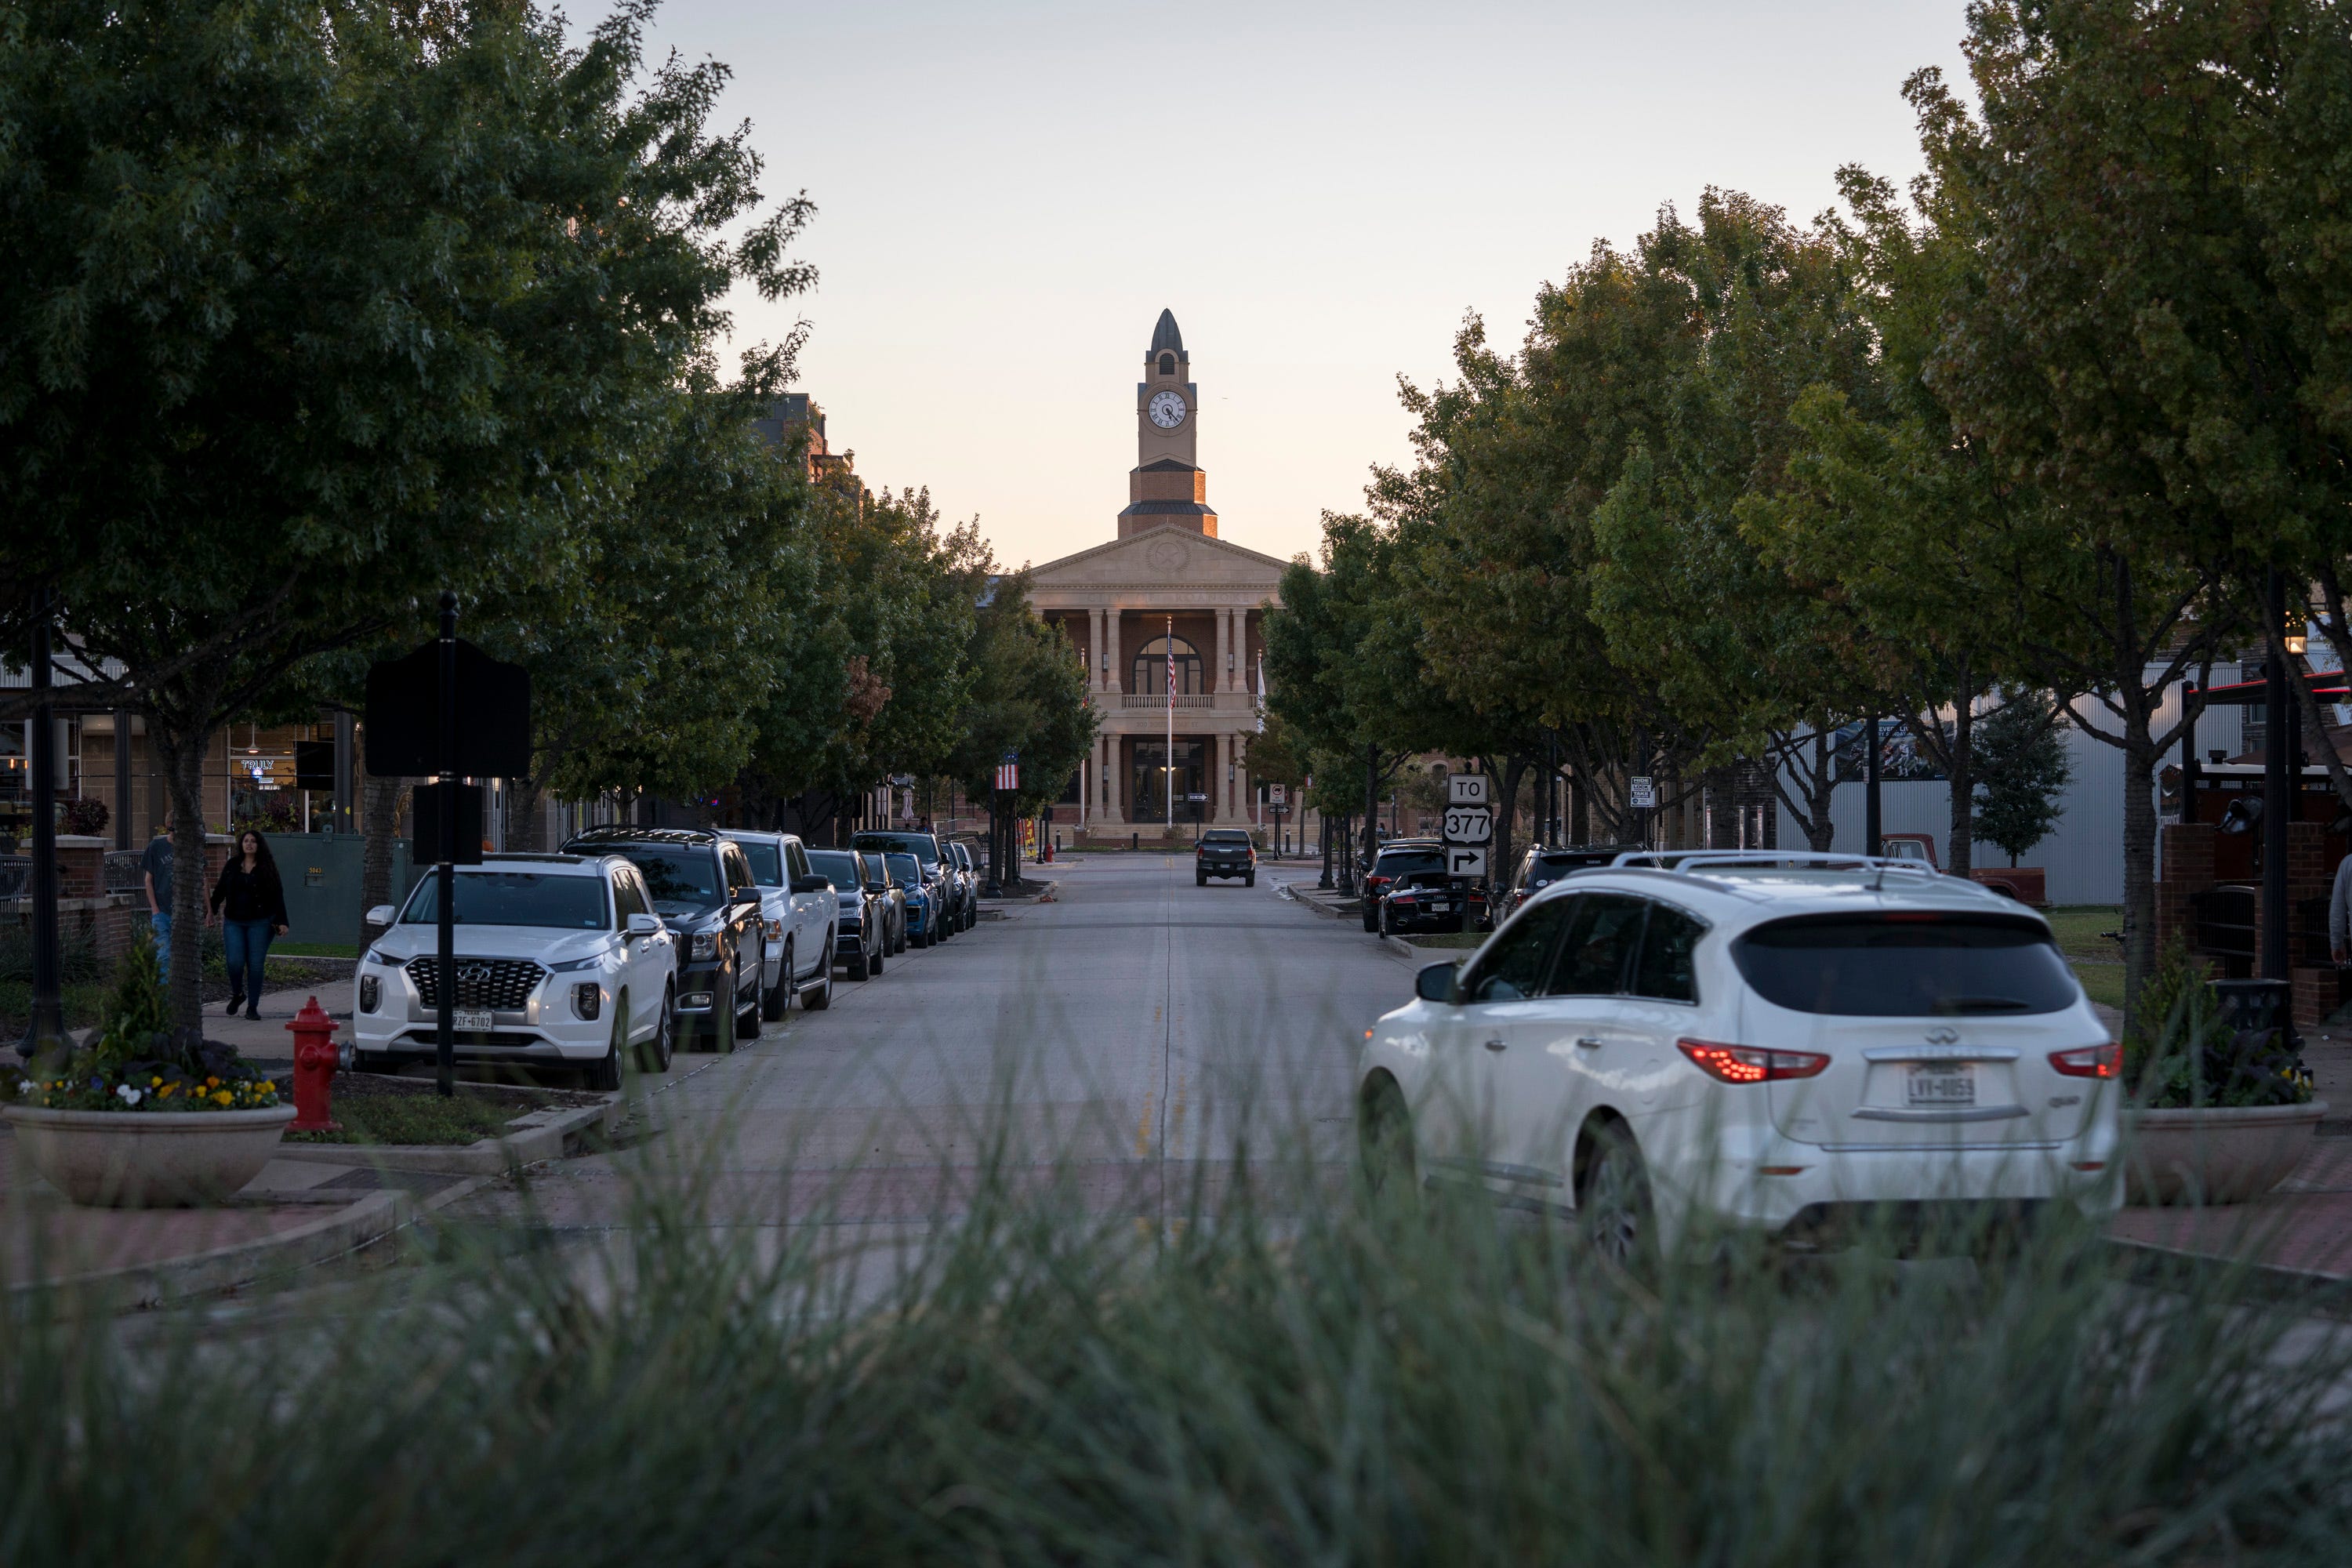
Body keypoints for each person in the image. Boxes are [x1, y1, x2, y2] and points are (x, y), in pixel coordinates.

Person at [209, 828, 289, 1019]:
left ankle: (252, 1007)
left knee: (255, 965)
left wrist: (282, 921)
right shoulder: (232, 865)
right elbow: (220, 890)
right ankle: (238, 994)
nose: (249, 844)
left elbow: (277, 895)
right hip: (234, 922)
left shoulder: (266, 867)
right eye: (246, 840)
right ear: (241, 844)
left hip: (260, 922)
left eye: (253, 841)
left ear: (258, 845)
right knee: (234, 962)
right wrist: (210, 911)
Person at [140, 812, 175, 982]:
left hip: (182, 911)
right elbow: (149, 880)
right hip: (161, 909)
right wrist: (155, 908)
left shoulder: (190, 848)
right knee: (163, 955)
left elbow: (203, 879)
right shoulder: (156, 846)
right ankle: (162, 996)